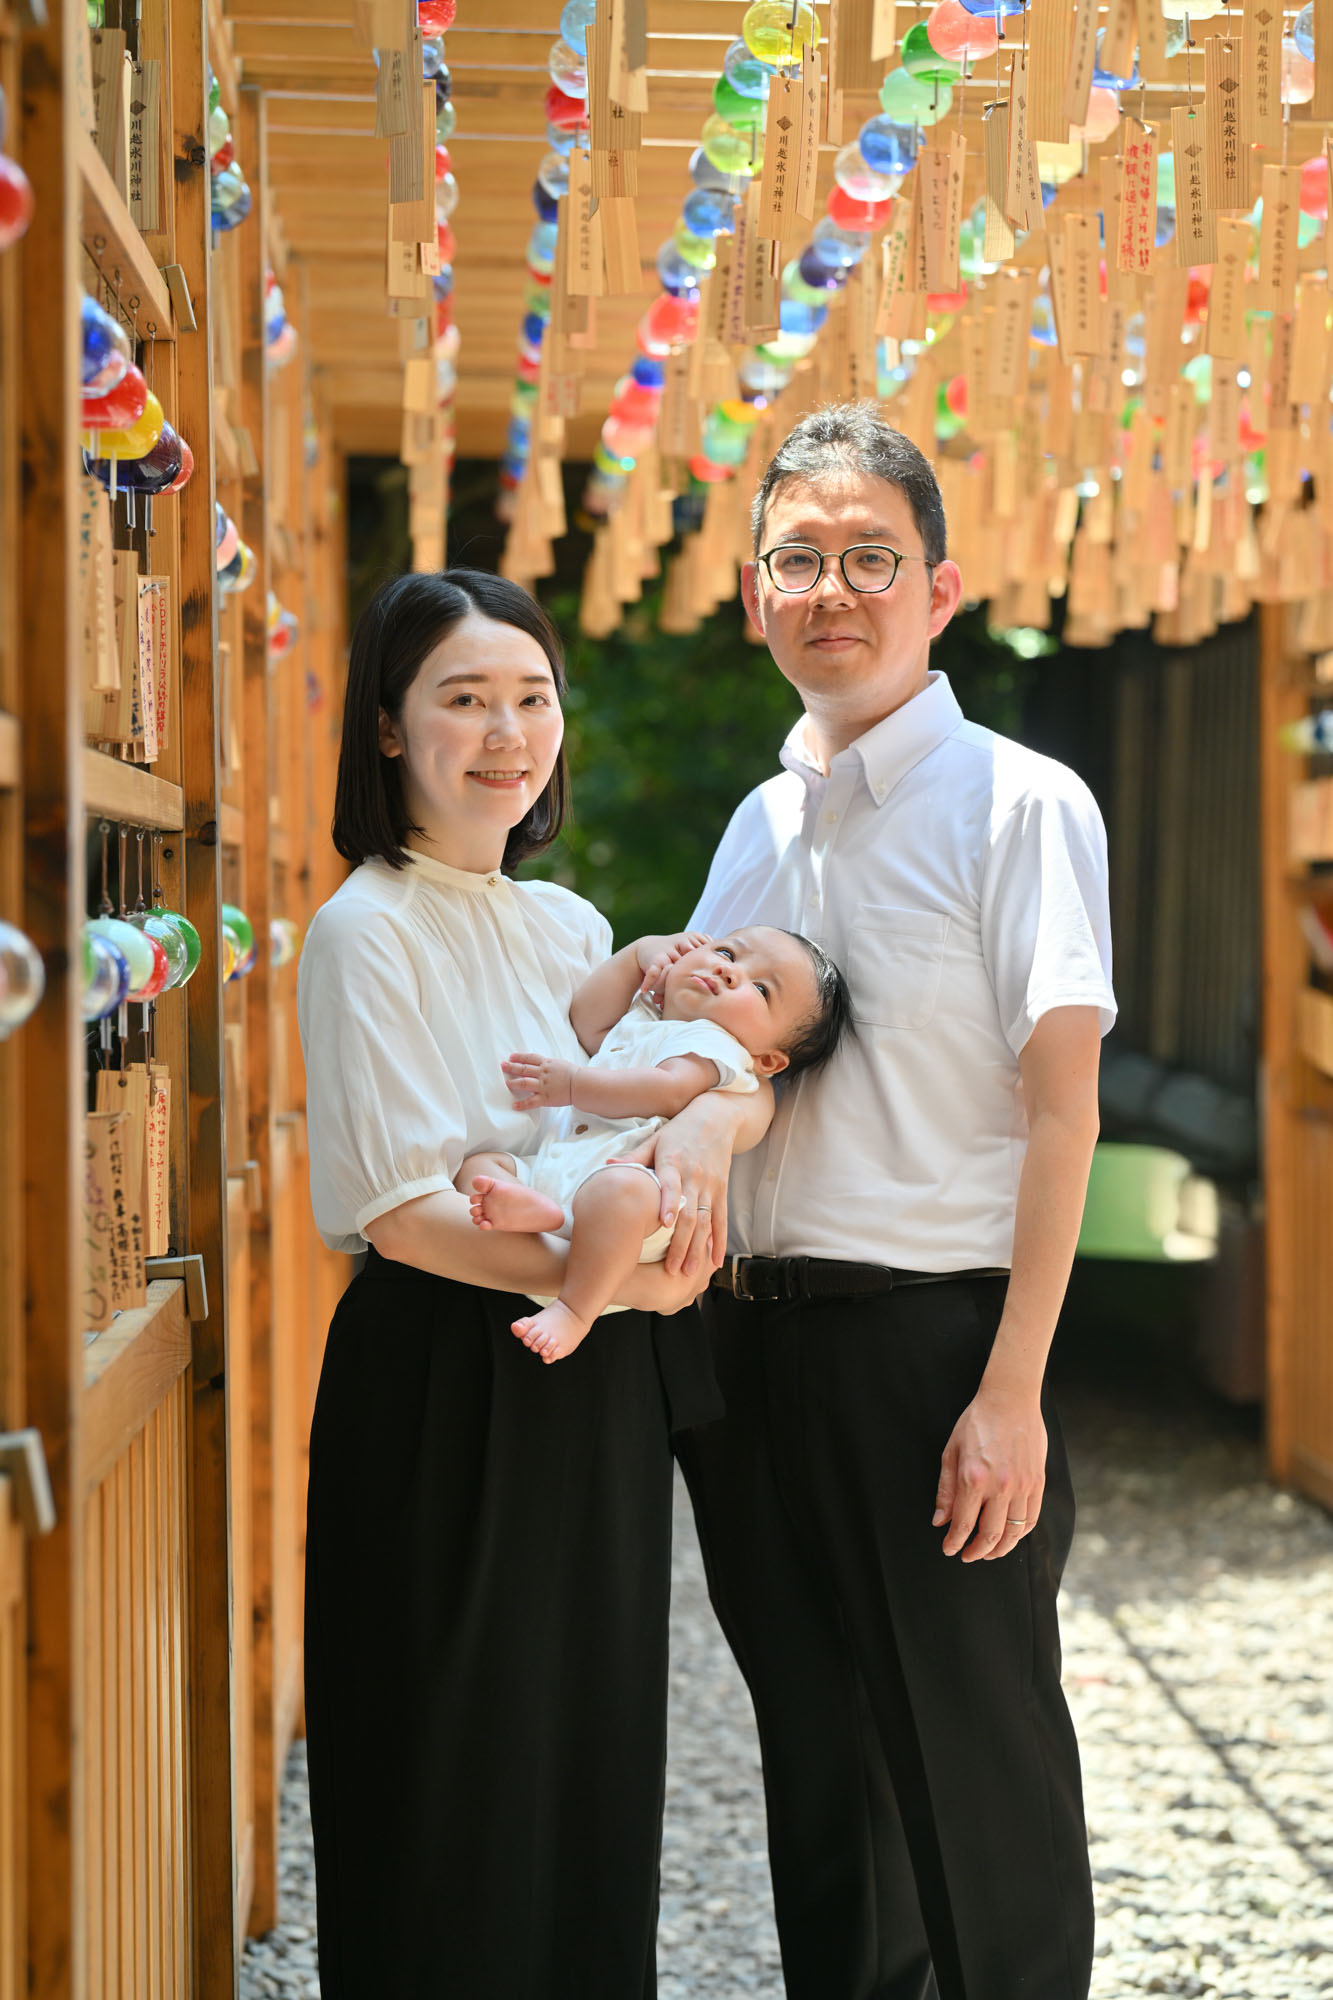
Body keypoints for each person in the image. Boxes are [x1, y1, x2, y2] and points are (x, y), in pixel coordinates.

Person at [673, 404, 1117, 2000]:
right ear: (754, 591)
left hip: (932, 1351)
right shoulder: (757, 823)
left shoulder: (1021, 805)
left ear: (940, 590)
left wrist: (1014, 1393)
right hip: (749, 1361)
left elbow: (1063, 1114)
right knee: (823, 1786)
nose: (833, 589)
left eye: (872, 556)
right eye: (801, 558)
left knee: (973, 1789)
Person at [296, 569, 769, 1999]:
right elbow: (407, 1217)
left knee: (586, 1747)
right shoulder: (359, 928)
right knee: (448, 1764)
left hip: (589, 1384)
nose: (506, 734)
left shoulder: (569, 928)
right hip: (445, 1374)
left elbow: (627, 1125)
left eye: (531, 697)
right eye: (462, 700)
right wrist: (619, 1280)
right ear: (388, 730)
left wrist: (658, 1241)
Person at [459, 924, 851, 1361]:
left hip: (636, 1193)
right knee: (480, 1168)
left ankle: (573, 1310)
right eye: (727, 953)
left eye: (760, 989)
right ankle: (544, 1215)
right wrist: (636, 955)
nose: (728, 973)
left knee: (617, 1192)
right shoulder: (646, 1019)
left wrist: (574, 1085)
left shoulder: (716, 1049)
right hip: (567, 1168)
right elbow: (587, 1020)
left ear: (767, 1059)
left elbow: (667, 1089)